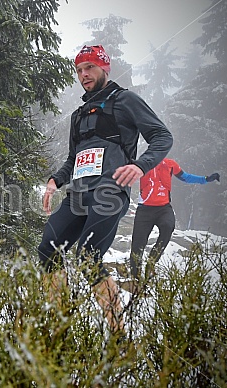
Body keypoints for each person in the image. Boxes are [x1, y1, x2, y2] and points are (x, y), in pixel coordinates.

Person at [38, 45, 173, 334]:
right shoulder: (78, 114)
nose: (84, 74)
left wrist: (140, 165)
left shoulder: (124, 100)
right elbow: (73, 159)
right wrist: (55, 181)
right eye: (79, 70)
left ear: (105, 69)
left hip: (110, 191)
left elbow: (161, 136)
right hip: (77, 195)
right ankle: (58, 326)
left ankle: (118, 331)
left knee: (87, 257)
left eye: (90, 67)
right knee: (47, 250)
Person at [128, 158, 220, 281]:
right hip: (144, 210)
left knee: (168, 227)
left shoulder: (170, 164)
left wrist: (205, 179)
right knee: (137, 245)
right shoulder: (142, 163)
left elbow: (185, 177)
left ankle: (151, 262)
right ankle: (135, 278)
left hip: (163, 209)